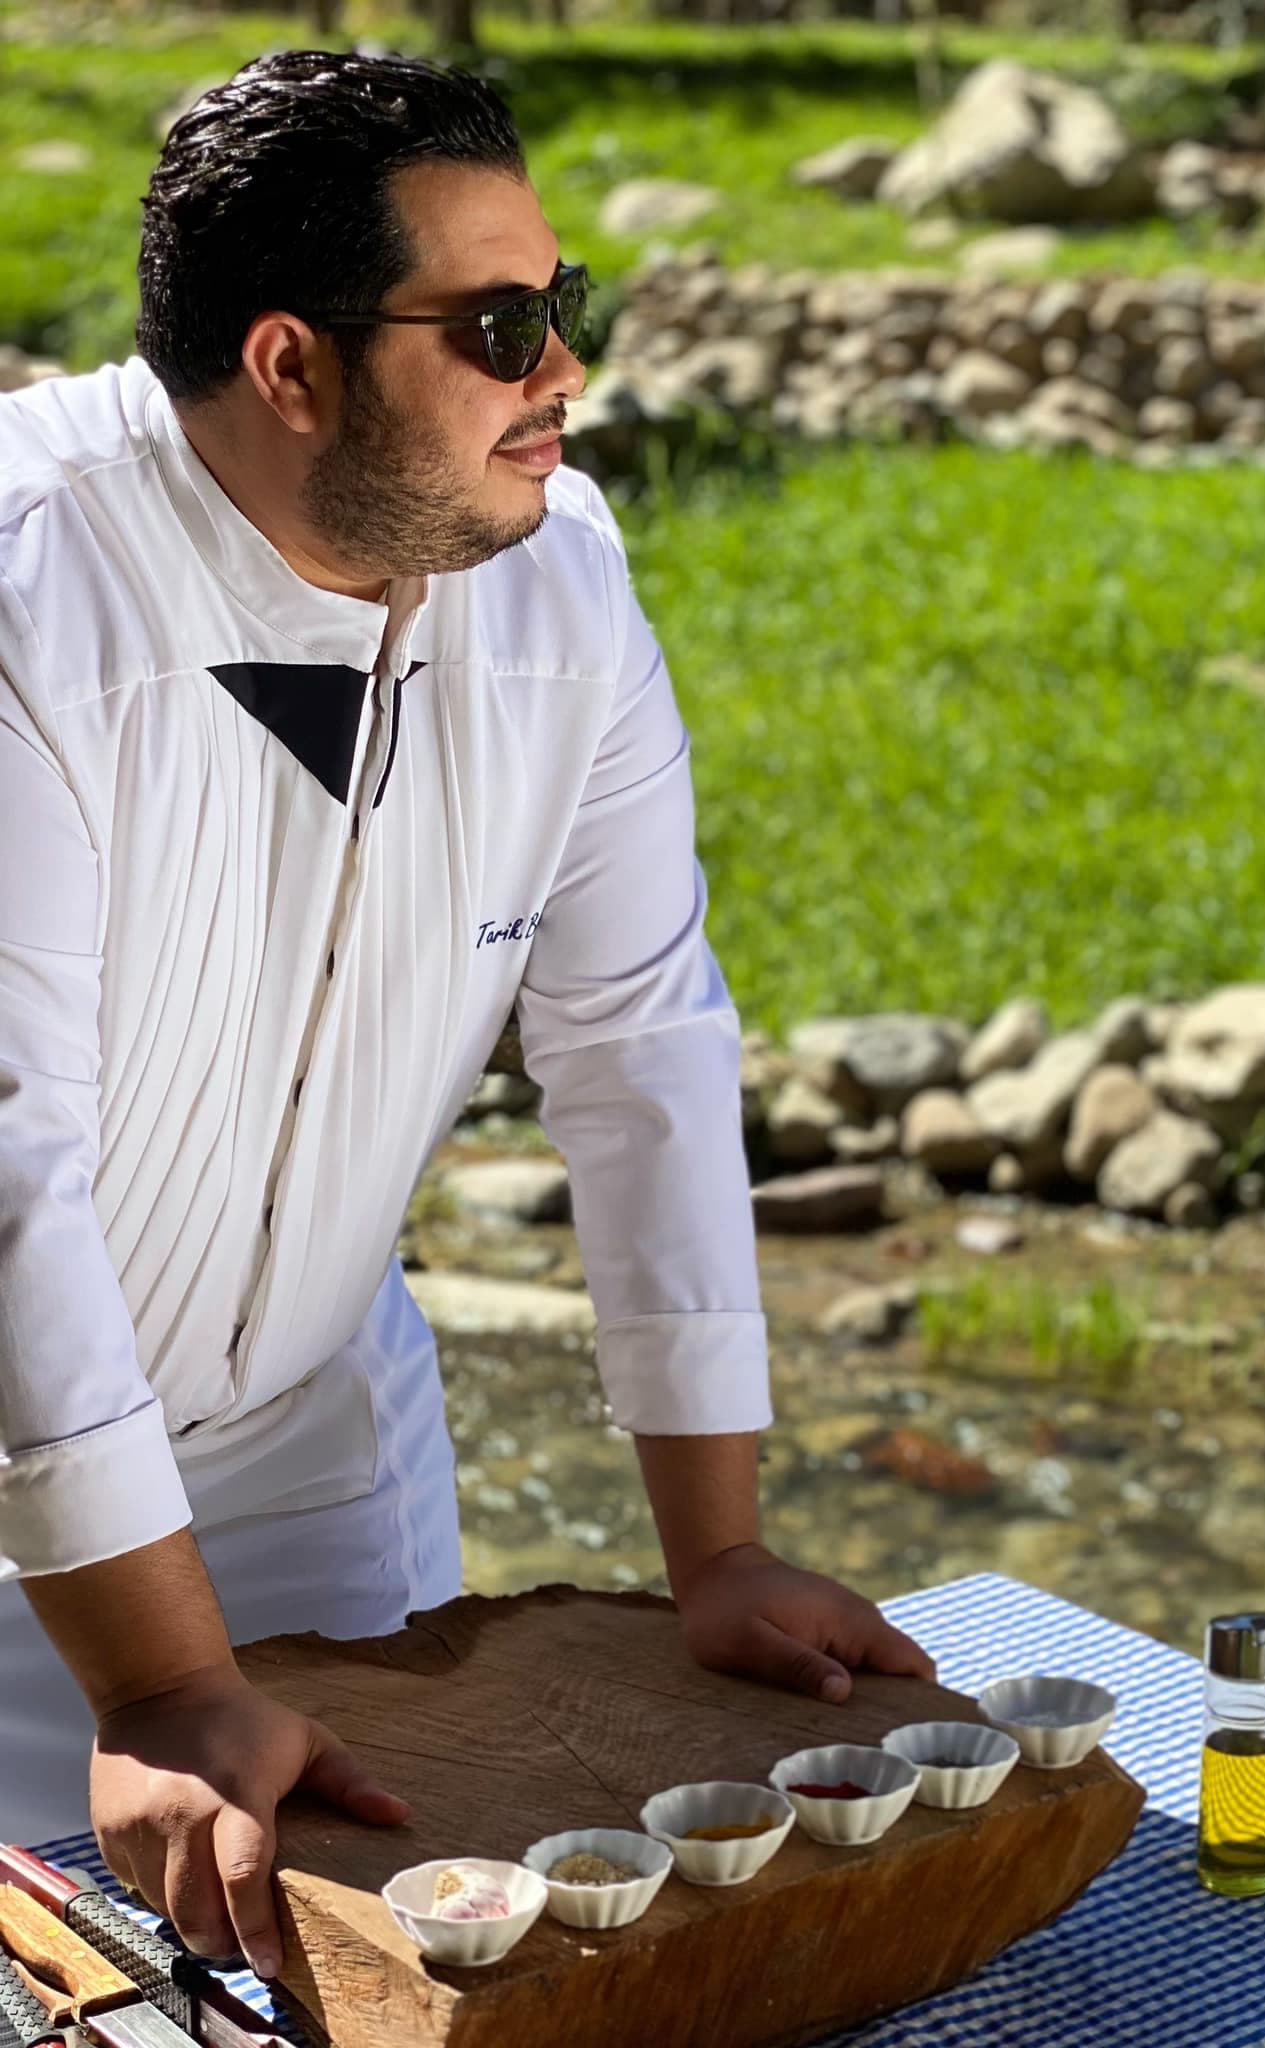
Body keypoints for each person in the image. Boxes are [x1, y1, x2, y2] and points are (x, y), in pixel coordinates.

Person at [0, 48, 933, 1983]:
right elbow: (8, 1166)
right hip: (20, 1508)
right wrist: (163, 1684)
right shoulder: (27, 589)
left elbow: (642, 1038)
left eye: (562, 310)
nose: (563, 377)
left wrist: (720, 1553)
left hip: (314, 1449)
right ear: (289, 366)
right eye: (502, 327)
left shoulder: (565, 583)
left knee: (381, 1980)